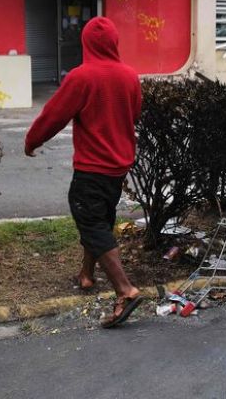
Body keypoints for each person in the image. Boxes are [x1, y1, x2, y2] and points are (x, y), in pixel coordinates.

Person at [25, 16, 144, 328]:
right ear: (114, 42)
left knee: (91, 223)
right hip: (118, 166)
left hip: (92, 167)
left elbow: (54, 115)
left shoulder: (83, 77)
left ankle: (125, 290)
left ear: (87, 43)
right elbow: (134, 114)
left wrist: (32, 141)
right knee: (101, 220)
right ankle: (87, 275)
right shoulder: (130, 76)